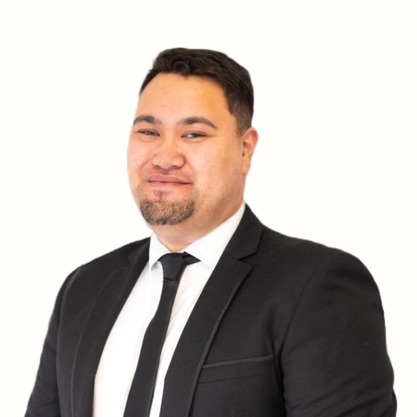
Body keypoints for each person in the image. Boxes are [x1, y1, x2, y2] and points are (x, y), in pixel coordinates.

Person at [25, 48, 396, 417]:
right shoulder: (84, 288)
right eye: (148, 131)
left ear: (245, 149)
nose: (164, 158)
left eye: (193, 134)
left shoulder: (315, 286)